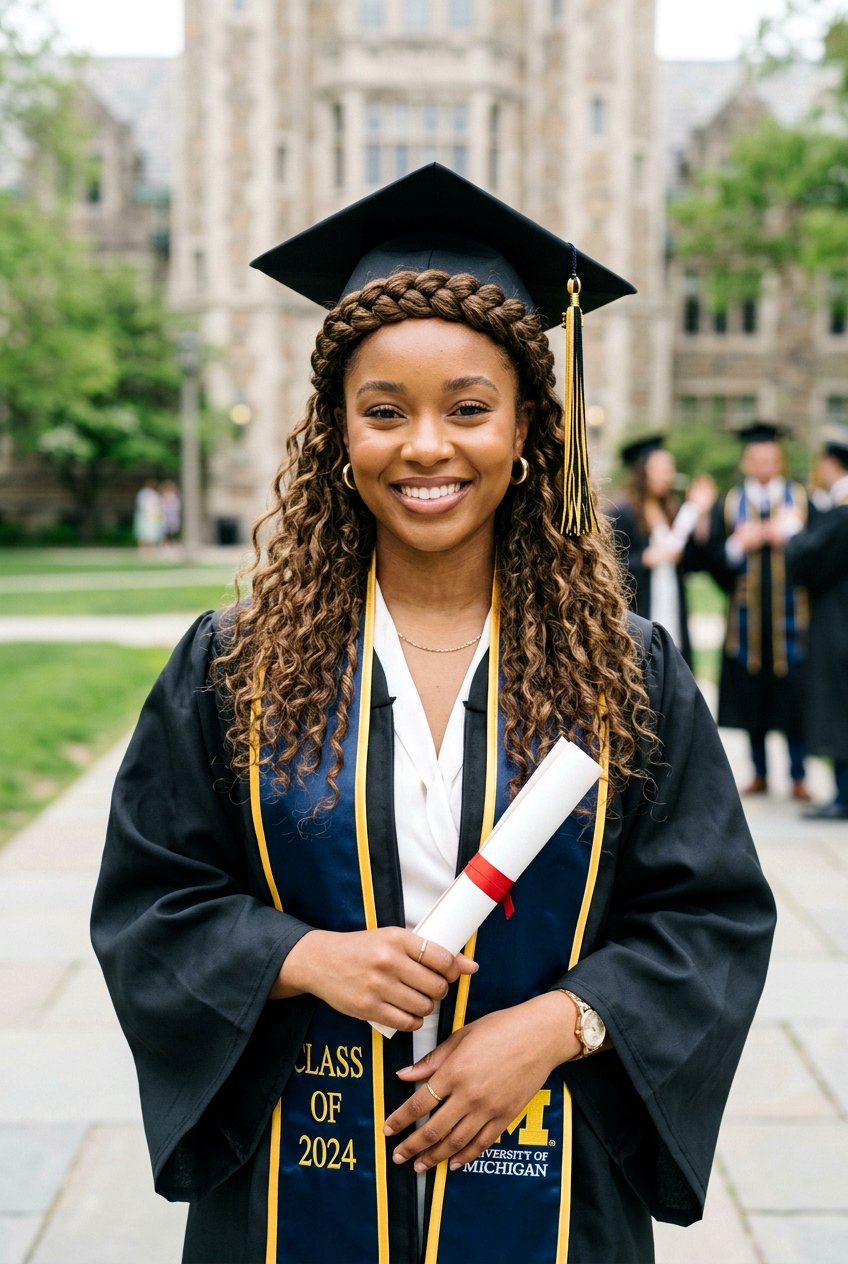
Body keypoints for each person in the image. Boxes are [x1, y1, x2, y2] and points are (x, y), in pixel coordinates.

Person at [91, 164, 775, 1264]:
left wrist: (555, 1026)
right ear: (335, 434)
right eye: (382, 412)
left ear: (524, 434)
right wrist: (301, 956)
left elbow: (710, 919)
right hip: (291, 1183)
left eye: (467, 408)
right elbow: (151, 900)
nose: (423, 446)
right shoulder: (235, 667)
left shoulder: (623, 672)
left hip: (549, 1182)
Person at [704, 422, 811, 800]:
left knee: (794, 698)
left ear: (779, 461)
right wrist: (738, 544)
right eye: (757, 458)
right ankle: (760, 772)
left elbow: (818, 555)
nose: (764, 464)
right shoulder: (731, 503)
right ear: (746, 462)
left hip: (791, 623)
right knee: (751, 697)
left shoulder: (799, 499)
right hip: (745, 623)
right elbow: (713, 559)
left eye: (770, 458)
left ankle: (799, 775)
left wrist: (792, 539)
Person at [609, 434, 715, 665]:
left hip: (672, 610)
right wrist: (645, 559)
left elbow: (695, 563)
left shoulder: (673, 513)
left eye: (670, 468)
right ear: (642, 471)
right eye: (660, 468)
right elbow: (609, 569)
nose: (667, 475)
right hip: (640, 612)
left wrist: (702, 520)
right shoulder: (622, 514)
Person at [786, 425, 848, 820]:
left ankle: (844, 795)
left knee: (840, 704)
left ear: (830, 464)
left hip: (838, 623)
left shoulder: (843, 513)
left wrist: (794, 531)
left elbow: (810, 561)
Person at [133, 479, 164, 553]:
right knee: (146, 534)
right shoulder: (146, 494)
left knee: (149, 534)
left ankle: (147, 549)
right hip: (148, 516)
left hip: (150, 516)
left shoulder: (146, 493)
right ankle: (144, 549)